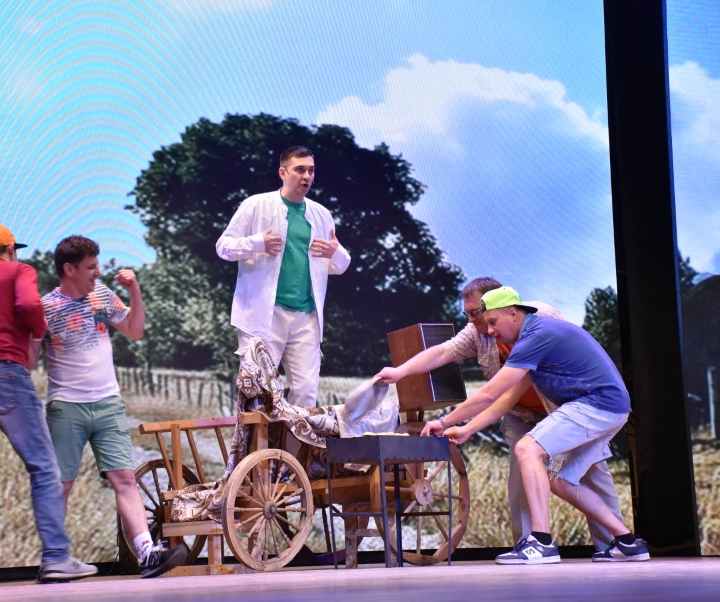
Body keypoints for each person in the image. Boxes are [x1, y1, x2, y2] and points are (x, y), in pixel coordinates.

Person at [376, 277, 624, 552]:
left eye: (477, 313)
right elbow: (448, 355)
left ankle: (614, 544)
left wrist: (446, 421)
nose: (474, 321)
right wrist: (400, 372)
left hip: (565, 408)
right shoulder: (478, 331)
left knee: (590, 473)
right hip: (521, 412)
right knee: (524, 474)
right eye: (468, 314)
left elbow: (492, 393)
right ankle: (531, 544)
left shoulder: (541, 320)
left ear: (505, 308)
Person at [434, 286, 649, 564]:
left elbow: (489, 394)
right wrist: (466, 429)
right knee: (561, 482)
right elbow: (503, 402)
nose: (490, 331)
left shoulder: (536, 335)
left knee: (527, 449)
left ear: (513, 313)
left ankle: (542, 543)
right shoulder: (535, 335)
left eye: (493, 322)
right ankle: (628, 542)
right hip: (613, 408)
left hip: (596, 404)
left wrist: (443, 421)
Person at [0, 224, 97, 590]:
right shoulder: (19, 271)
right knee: (44, 466)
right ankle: (57, 558)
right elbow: (28, 305)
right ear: (10, 249)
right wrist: (38, 330)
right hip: (3, 374)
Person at [37, 235, 186, 578]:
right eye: (91, 267)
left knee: (125, 478)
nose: (98, 272)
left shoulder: (102, 295)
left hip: (108, 403)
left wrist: (135, 292)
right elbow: (31, 355)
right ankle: (53, 559)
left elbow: (134, 330)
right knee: (62, 484)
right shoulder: (46, 307)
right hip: (66, 406)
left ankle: (147, 552)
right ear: (69, 269)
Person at [216, 146, 351, 408]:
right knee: (258, 394)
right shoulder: (256, 205)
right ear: (283, 172)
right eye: (300, 169)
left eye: (311, 170)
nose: (307, 176)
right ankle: (257, 438)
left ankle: (294, 438)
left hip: (306, 317)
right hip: (265, 314)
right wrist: (257, 243)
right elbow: (223, 247)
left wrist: (335, 252)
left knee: (306, 393)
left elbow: (340, 265)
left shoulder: (322, 215)